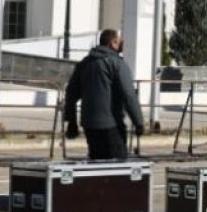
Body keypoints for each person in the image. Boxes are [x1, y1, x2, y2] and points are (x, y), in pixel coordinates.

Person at [63, 28, 147, 161]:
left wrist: (71, 122)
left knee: (97, 164)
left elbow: (71, 94)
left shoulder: (84, 63)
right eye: (119, 41)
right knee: (117, 167)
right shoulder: (117, 64)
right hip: (112, 125)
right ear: (113, 42)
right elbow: (129, 95)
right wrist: (139, 122)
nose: (121, 43)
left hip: (89, 125)